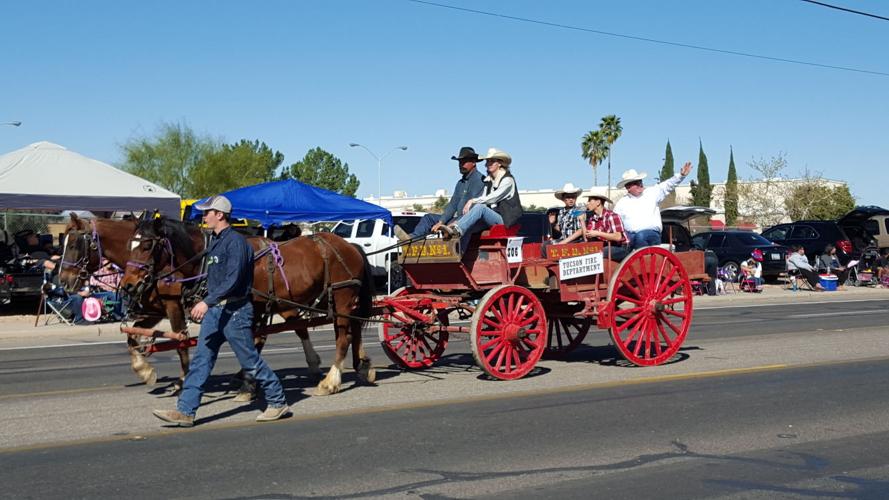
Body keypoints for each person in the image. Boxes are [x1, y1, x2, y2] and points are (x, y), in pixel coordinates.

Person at [153, 195, 290, 427]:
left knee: (250, 361)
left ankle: (277, 402)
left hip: (235, 311)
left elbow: (233, 280)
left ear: (220, 215)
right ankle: (185, 411)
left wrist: (207, 302)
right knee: (201, 361)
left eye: (207, 212)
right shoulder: (215, 242)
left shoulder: (236, 242)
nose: (203, 216)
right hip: (216, 312)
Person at [394, 146, 485, 241]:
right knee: (428, 218)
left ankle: (453, 238)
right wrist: (441, 221)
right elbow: (452, 205)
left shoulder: (480, 180)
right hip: (456, 219)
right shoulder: (460, 183)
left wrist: (455, 222)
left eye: (464, 161)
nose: (460, 164)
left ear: (474, 162)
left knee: (455, 224)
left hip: (468, 221)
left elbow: (474, 209)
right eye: (459, 162)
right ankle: (411, 239)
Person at [440, 148, 523, 250]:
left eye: (492, 161)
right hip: (490, 218)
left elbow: (493, 197)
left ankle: (457, 229)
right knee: (469, 225)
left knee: (479, 208)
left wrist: (472, 200)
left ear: (500, 164)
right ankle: (459, 253)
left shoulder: (508, 180)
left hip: (505, 220)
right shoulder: (488, 182)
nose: (488, 164)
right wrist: (459, 220)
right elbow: (482, 200)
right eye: (488, 161)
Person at [613, 162, 693, 250]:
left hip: (651, 234)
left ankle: (642, 260)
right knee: (622, 241)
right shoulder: (621, 203)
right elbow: (614, 222)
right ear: (628, 187)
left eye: (640, 181)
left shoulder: (651, 193)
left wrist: (681, 175)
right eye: (636, 182)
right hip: (630, 236)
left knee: (641, 236)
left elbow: (668, 185)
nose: (640, 184)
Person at [573, 189, 629, 261]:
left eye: (590, 200)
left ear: (598, 202)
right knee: (583, 250)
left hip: (621, 247)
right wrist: (582, 221)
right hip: (604, 246)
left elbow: (618, 237)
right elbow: (587, 239)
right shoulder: (593, 218)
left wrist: (597, 233)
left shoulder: (612, 216)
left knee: (599, 252)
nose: (587, 203)